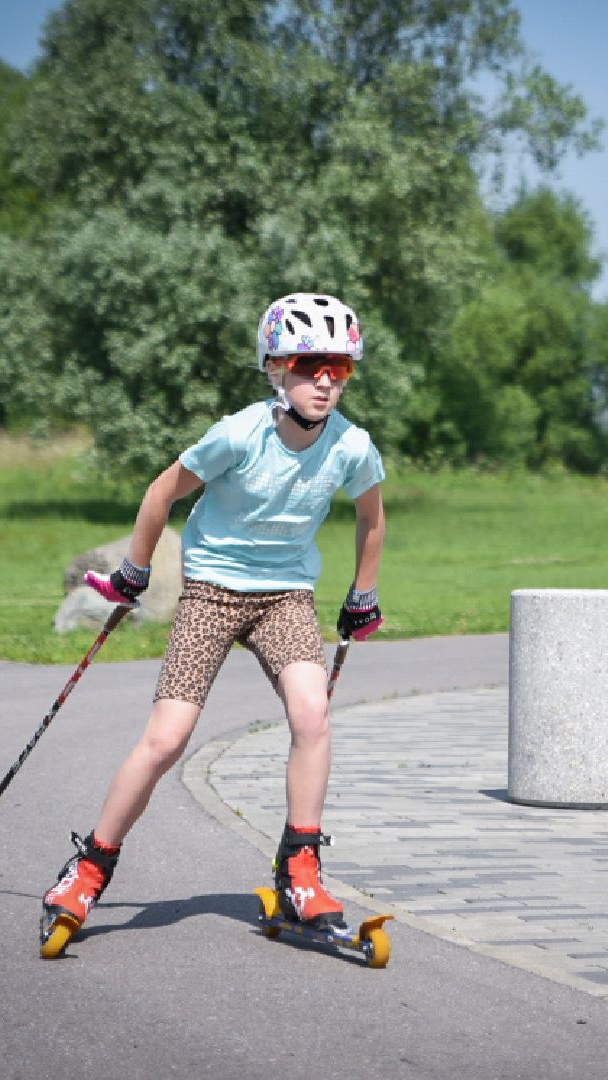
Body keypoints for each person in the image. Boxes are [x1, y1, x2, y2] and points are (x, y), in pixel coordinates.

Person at [39, 292, 386, 958]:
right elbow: (162, 491)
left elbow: (372, 518)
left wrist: (362, 593)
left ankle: (300, 870)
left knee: (312, 715)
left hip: (287, 595)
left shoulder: (352, 447)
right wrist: (134, 571)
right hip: (210, 591)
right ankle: (89, 868)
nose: (325, 381)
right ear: (275, 368)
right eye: (310, 364)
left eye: (339, 369)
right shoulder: (238, 435)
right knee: (168, 737)